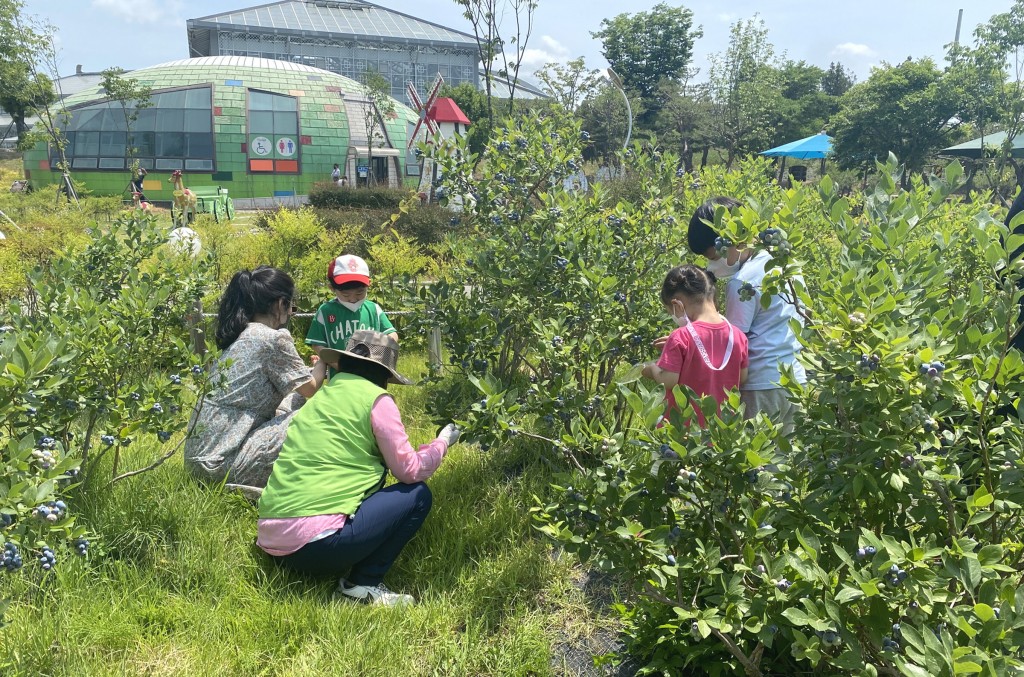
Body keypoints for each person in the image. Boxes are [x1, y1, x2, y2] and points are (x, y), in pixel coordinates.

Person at [257, 330, 460, 606]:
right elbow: (409, 470)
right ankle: (362, 583)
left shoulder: (320, 399)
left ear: (345, 363)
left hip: (271, 542)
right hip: (318, 546)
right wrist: (442, 443)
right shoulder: (377, 400)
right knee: (417, 495)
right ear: (384, 374)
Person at [185, 267, 328, 488]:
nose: (291, 313)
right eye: (292, 307)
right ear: (281, 304)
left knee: (294, 401)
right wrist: (325, 361)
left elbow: (296, 390)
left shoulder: (239, 333)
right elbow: (310, 388)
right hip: (222, 465)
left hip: (200, 465)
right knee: (322, 413)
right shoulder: (272, 339)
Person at [685, 196, 807, 434]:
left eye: (712, 257)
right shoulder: (787, 267)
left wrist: (687, 341)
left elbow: (732, 343)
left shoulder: (742, 283)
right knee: (787, 461)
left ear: (730, 241)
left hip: (760, 385)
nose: (712, 265)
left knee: (758, 463)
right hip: (795, 380)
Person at [642, 265, 748, 427]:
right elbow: (742, 377)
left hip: (682, 431)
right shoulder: (737, 335)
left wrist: (651, 368)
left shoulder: (680, 336)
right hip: (720, 431)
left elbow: (668, 380)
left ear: (677, 305)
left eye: (671, 311)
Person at [306, 254, 398, 375]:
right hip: (340, 378)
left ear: (368, 285)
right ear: (332, 288)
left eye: (360, 293)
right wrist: (339, 365)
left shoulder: (373, 309)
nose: (353, 299)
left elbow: (392, 334)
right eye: (346, 295)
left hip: (372, 377)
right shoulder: (326, 311)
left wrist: (379, 356)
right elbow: (317, 343)